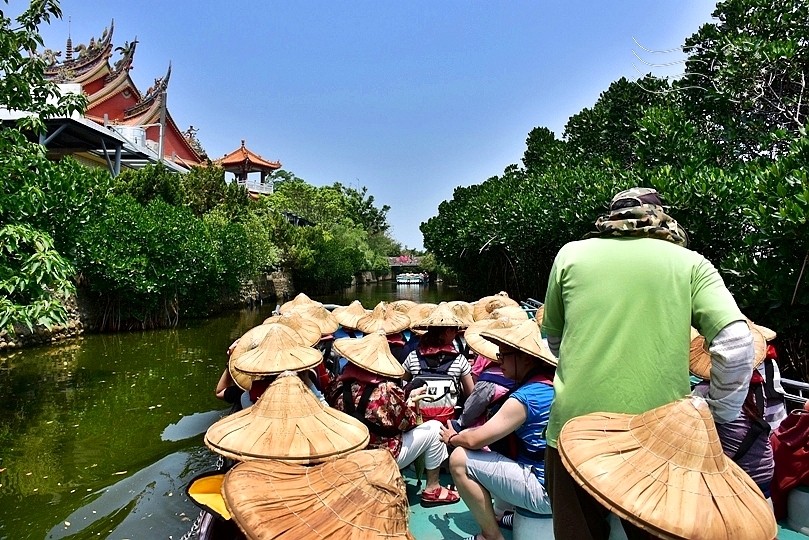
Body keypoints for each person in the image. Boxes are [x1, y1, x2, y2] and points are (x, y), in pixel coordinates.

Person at [541, 187, 755, 540]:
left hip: (573, 428)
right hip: (660, 439)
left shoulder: (570, 255)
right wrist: (719, 414)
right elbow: (736, 344)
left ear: (611, 217)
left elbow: (555, 341)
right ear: (661, 215)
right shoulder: (689, 263)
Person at [440, 318, 556, 540]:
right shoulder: (549, 383)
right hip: (556, 485)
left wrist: (453, 438)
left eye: (503, 355)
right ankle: (505, 514)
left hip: (543, 491)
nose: (497, 360)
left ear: (524, 358)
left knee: (459, 459)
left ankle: (490, 536)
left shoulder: (526, 397)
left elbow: (476, 441)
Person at [326, 331, 461, 507]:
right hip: (383, 456)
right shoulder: (387, 389)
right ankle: (433, 489)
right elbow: (408, 422)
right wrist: (411, 401)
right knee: (436, 428)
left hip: (350, 455)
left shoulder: (337, 385)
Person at [402, 304, 475, 424]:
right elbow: (470, 394)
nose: (456, 333)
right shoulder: (460, 360)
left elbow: (402, 385)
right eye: (455, 330)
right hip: (447, 423)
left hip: (419, 422)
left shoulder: (413, 357)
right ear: (447, 331)